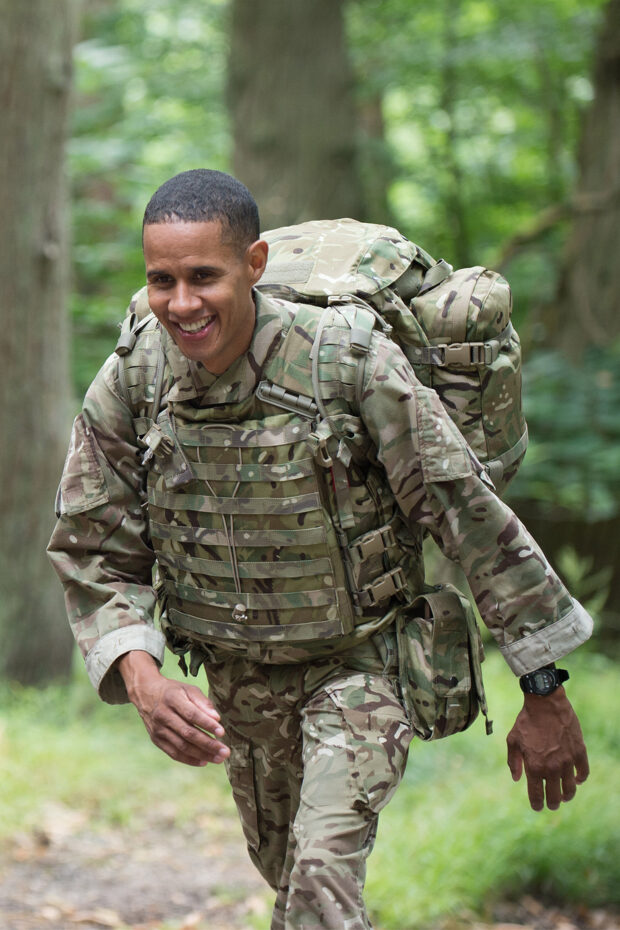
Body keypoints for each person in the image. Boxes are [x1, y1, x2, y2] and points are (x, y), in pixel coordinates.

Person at [48, 169, 592, 930]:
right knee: (291, 884)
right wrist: (141, 675)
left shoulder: (348, 361)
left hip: (362, 666)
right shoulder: (135, 376)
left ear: (255, 265)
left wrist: (544, 685)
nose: (181, 304)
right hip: (239, 684)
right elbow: (92, 544)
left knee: (318, 894)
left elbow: (466, 513)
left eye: (204, 276)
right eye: (161, 280)